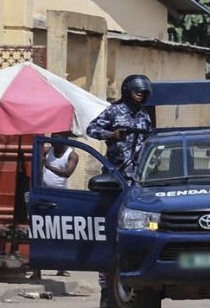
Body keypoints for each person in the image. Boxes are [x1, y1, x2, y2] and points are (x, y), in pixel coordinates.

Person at [86, 74, 153, 308]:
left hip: (139, 183)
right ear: (128, 91)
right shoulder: (114, 112)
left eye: (144, 93)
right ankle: (107, 291)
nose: (141, 96)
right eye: (138, 92)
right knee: (109, 237)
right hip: (115, 181)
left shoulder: (144, 116)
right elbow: (91, 129)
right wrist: (111, 135)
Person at [32, 133, 79, 278]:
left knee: (61, 232)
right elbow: (36, 158)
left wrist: (48, 166)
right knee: (40, 231)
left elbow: (67, 173)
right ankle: (37, 269)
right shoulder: (48, 151)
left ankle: (61, 266)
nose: (53, 144)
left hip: (61, 197)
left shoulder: (72, 155)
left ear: (64, 140)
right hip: (44, 195)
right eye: (52, 140)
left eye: (56, 140)